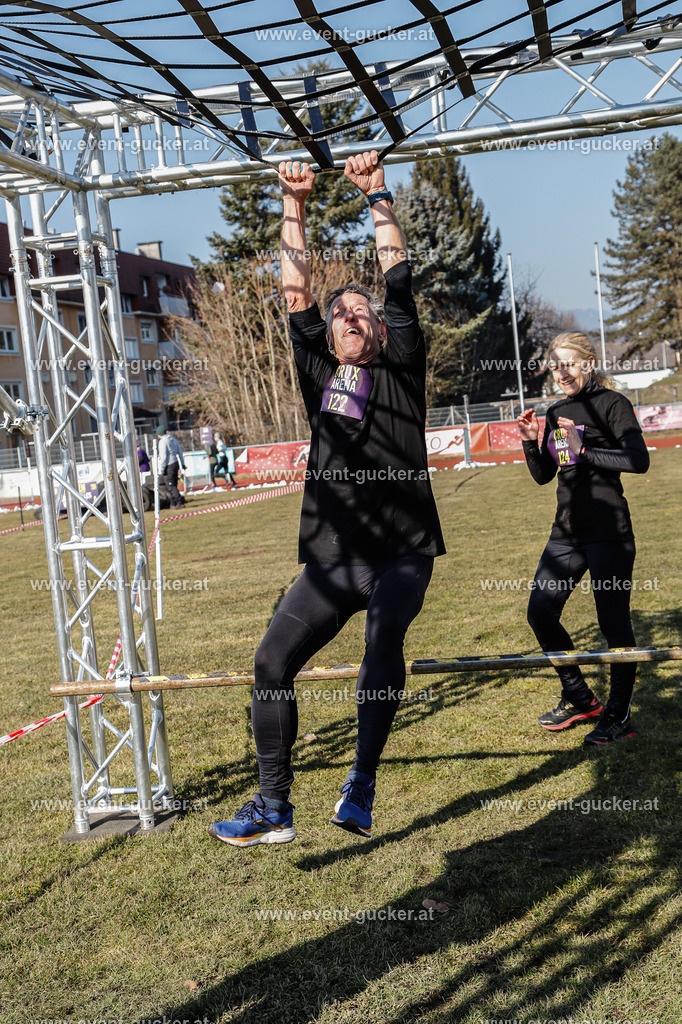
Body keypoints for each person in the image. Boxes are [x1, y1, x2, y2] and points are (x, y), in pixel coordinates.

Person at [209, 150, 445, 847]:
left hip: (402, 554)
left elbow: (397, 278)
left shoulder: (401, 364)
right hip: (334, 557)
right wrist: (295, 204)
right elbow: (293, 292)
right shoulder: (320, 373)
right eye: (339, 312)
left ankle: (361, 784)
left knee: (382, 642)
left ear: (376, 329)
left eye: (359, 311)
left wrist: (377, 195)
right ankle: (273, 805)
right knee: (269, 662)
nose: (348, 316)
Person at [517, 332, 650, 746]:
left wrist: (586, 448)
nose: (562, 372)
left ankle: (617, 716)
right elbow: (545, 474)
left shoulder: (614, 404)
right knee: (541, 612)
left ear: (589, 363)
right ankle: (578, 696)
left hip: (610, 534)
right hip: (566, 535)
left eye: (569, 363)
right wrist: (528, 440)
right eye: (555, 365)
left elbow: (638, 460)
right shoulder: (557, 411)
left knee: (613, 625)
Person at [157, 425, 186, 509]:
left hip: (168, 465)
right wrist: (182, 463)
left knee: (171, 486)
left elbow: (163, 456)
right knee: (174, 484)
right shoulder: (173, 439)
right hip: (175, 463)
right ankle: (172, 504)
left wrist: (161, 470)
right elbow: (180, 452)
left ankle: (180, 502)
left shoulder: (162, 441)